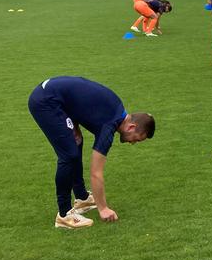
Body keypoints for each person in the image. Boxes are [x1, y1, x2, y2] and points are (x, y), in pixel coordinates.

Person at [27, 76, 155, 229]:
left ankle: (82, 198)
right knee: (68, 155)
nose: (133, 143)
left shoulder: (118, 109)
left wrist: (74, 125)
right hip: (46, 101)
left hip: (55, 97)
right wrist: (103, 208)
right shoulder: (109, 126)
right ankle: (64, 215)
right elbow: (96, 172)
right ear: (131, 127)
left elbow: (80, 101)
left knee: (76, 142)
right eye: (137, 139)